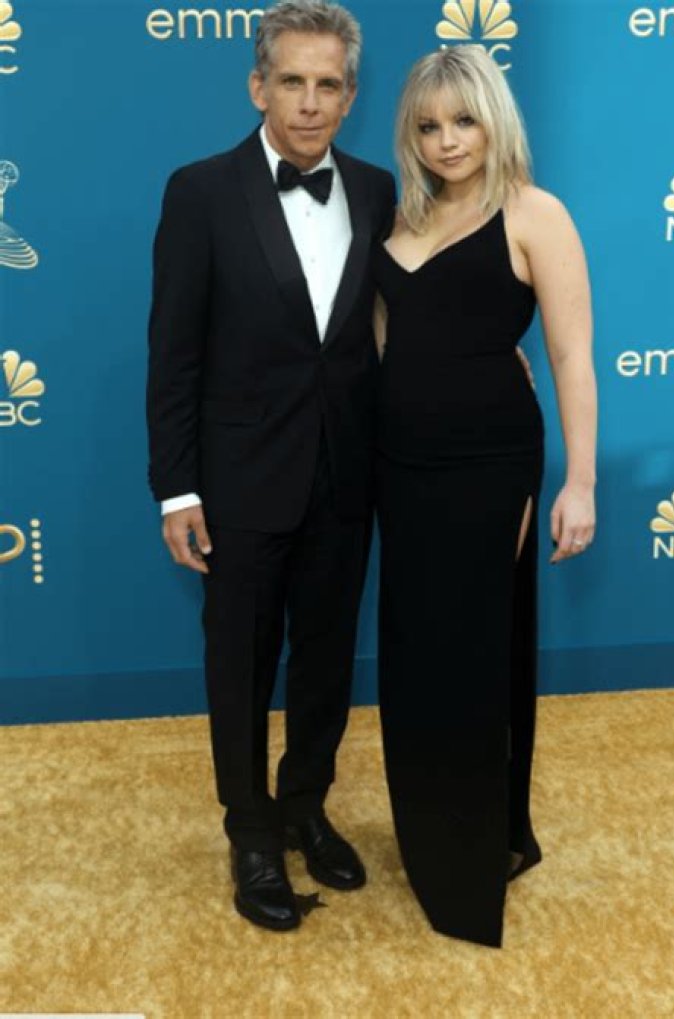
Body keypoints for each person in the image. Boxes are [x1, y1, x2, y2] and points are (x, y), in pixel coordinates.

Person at [146, 0, 395, 932]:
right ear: (258, 85)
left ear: (351, 95)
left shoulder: (374, 191)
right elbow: (173, 352)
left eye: (328, 84)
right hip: (240, 481)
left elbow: (392, 325)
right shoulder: (200, 191)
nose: (309, 102)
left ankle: (304, 808)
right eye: (291, 80)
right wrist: (177, 485)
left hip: (346, 478)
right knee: (241, 667)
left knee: (326, 661)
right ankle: (250, 832)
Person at [372, 45, 597, 947]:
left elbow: (573, 356)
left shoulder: (534, 212)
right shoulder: (402, 217)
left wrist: (579, 481)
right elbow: (389, 345)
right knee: (416, 652)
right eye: (427, 126)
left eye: (462, 120)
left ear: (495, 118)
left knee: (471, 653)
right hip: (401, 467)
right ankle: (435, 829)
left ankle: (473, 855)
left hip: (491, 462)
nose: (446, 140)